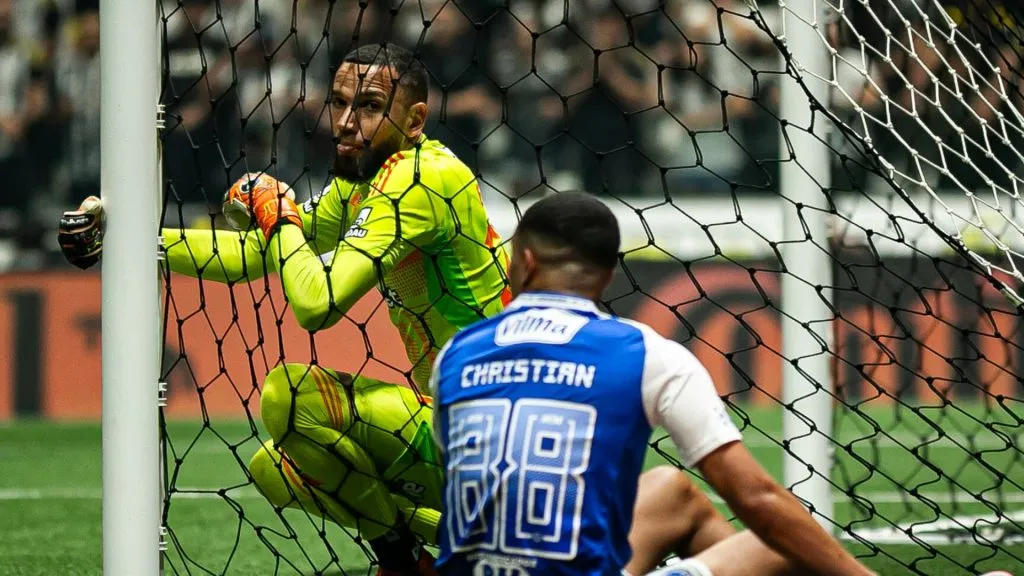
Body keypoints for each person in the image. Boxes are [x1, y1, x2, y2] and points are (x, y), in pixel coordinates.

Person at [428, 191, 878, 576]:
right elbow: (757, 499)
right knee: (785, 540)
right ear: (607, 276)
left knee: (670, 487)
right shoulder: (645, 353)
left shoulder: (455, 354)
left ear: (523, 262)